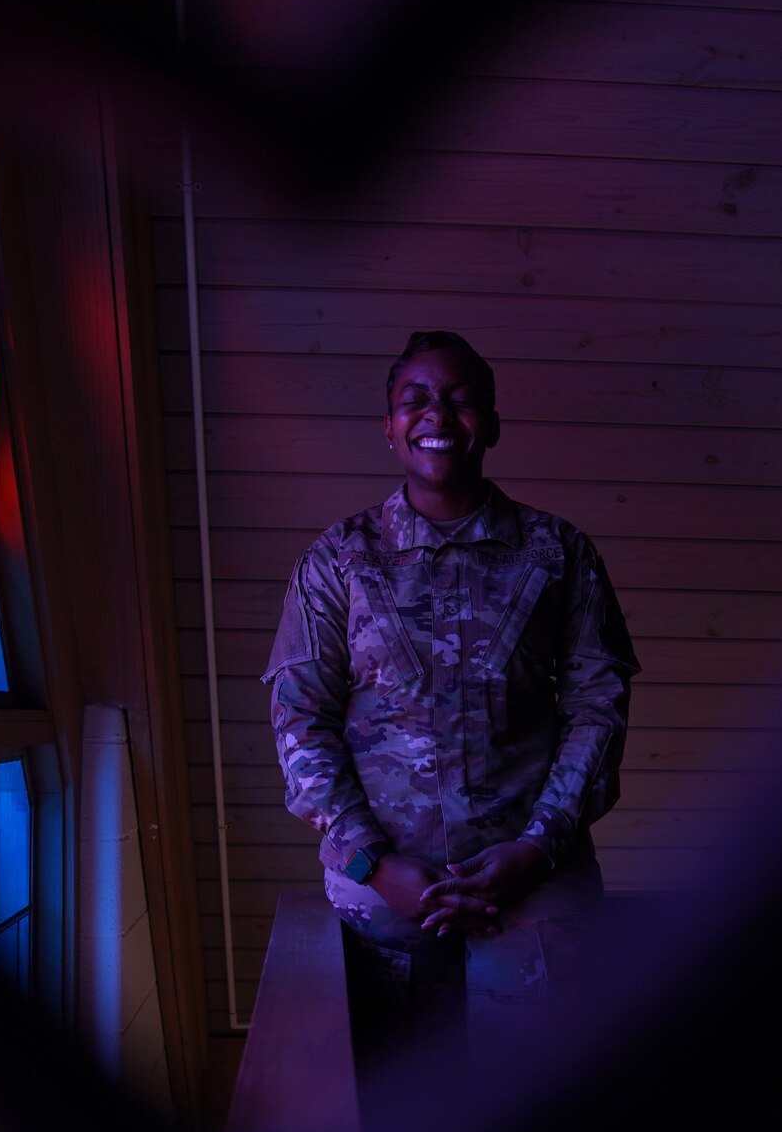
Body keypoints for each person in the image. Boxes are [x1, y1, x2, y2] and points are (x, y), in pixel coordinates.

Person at [261, 330, 640, 1059]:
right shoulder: (338, 559)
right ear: (389, 426)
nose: (439, 414)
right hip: (382, 899)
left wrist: (535, 850)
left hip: (538, 890)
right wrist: (375, 863)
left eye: (462, 399)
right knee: (397, 1111)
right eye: (417, 399)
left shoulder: (559, 552)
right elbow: (300, 717)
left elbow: (598, 708)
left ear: (492, 423)